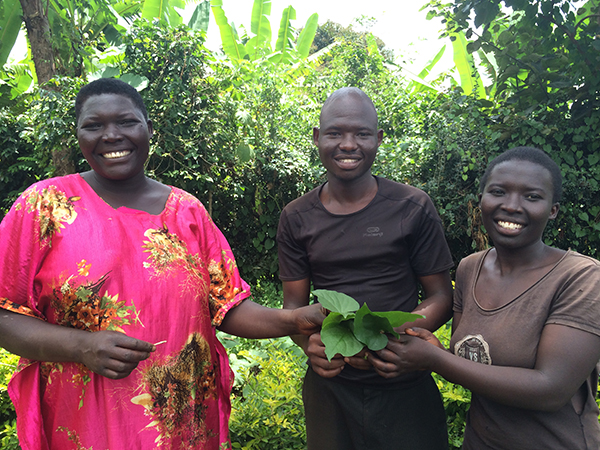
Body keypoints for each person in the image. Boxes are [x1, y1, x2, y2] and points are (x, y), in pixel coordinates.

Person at [0, 77, 325, 450]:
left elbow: (227, 308)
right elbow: (5, 315)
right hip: (86, 425)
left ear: (148, 129)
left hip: (182, 426)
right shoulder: (43, 206)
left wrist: (294, 320)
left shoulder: (187, 211)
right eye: (94, 125)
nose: (111, 135)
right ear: (78, 135)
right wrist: (81, 347)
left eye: (126, 122)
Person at [374, 146, 600, 449]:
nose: (512, 206)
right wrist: (429, 350)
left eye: (532, 197)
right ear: (481, 201)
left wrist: (434, 359)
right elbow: (471, 364)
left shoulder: (581, 277)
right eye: (498, 192)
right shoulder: (470, 269)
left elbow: (550, 390)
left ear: (553, 209)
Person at [277, 87, 454, 450]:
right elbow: (293, 309)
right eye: (335, 133)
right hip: (332, 384)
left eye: (361, 133)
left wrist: (399, 336)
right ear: (316, 137)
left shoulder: (412, 206)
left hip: (404, 380)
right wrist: (311, 345)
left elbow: (440, 295)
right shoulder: (296, 216)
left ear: (378, 139)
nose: (347, 144)